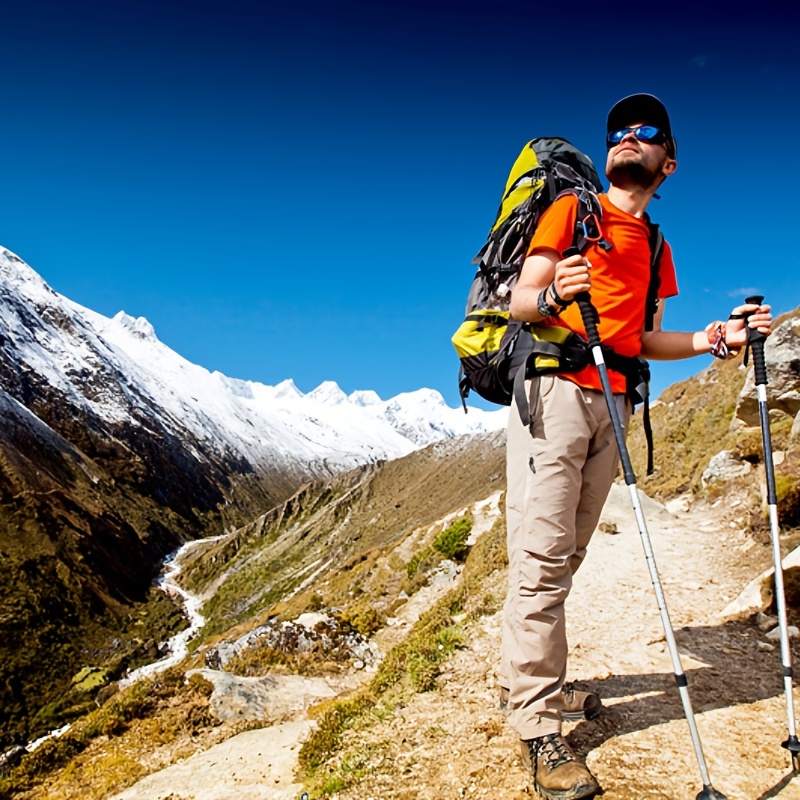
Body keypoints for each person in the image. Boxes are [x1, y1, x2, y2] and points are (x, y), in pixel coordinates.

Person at [500, 93, 773, 799]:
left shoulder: (655, 245)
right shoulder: (572, 211)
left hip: (615, 403)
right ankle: (537, 728)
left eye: (645, 131)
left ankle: (541, 687)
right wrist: (554, 290)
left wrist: (715, 339)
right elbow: (520, 301)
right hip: (556, 394)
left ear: (667, 163)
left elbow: (644, 338)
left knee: (566, 555)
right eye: (619, 130)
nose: (627, 137)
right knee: (539, 560)